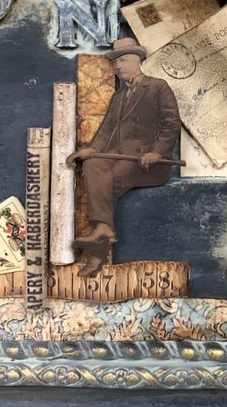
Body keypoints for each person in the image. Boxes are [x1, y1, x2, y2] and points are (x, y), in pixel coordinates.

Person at [66, 37, 181, 277]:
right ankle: (103, 230)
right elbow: (107, 130)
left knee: (110, 178)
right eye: (116, 62)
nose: (118, 66)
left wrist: (157, 152)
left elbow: (171, 124)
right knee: (93, 165)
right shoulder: (118, 97)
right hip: (121, 157)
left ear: (138, 61)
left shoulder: (158, 87)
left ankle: (99, 245)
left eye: (123, 60)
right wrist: (92, 150)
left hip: (149, 163)